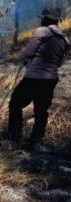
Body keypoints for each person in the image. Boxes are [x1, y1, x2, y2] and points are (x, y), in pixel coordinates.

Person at [8, 8, 71, 150]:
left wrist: (24, 56)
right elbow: (60, 62)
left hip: (34, 78)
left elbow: (27, 53)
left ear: (46, 19)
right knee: (41, 110)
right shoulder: (64, 39)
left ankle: (14, 138)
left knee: (15, 104)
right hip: (50, 79)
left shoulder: (41, 31)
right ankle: (36, 141)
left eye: (43, 17)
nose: (41, 20)